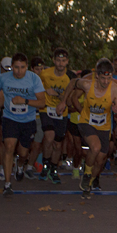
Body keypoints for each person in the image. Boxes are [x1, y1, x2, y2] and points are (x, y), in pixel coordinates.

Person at [64, 59, 117, 198]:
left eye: (109, 78)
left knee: (101, 159)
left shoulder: (115, 88)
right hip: (87, 122)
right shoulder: (87, 84)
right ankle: (86, 173)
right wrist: (63, 101)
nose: (106, 82)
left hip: (104, 126)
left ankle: (88, 184)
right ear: (97, 75)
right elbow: (73, 82)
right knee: (95, 148)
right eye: (103, 78)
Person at [0, 53, 46, 197]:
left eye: (22, 67)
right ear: (12, 67)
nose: (19, 71)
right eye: (16, 67)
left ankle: (20, 165)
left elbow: (42, 102)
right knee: (9, 147)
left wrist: (25, 101)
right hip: (10, 118)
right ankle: (7, 184)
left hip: (28, 120)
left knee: (23, 153)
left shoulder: (34, 79)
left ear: (27, 67)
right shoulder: (3, 78)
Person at [38, 48, 77, 184]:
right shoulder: (44, 74)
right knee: (49, 137)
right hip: (46, 109)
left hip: (62, 113)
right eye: (58, 61)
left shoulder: (71, 77)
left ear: (67, 62)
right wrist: (44, 91)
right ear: (54, 61)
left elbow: (72, 98)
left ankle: (54, 169)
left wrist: (59, 96)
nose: (60, 64)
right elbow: (37, 90)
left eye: (63, 61)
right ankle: (45, 165)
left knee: (58, 144)